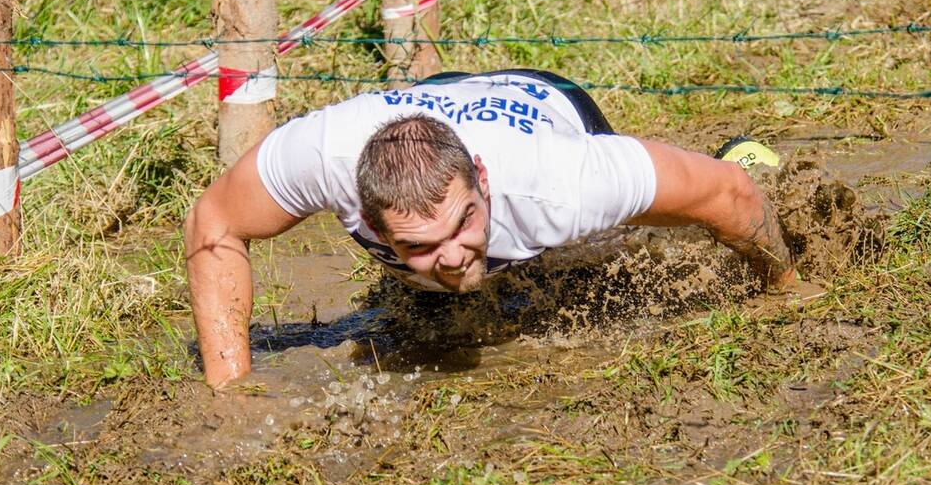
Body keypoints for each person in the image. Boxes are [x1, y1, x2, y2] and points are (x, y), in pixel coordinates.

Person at [185, 69, 796, 389]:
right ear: (369, 221)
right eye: (419, 246)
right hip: (435, 100)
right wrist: (231, 389)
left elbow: (730, 196)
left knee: (638, 243)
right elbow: (214, 220)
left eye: (462, 225)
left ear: (479, 178)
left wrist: (786, 287)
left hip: (547, 105)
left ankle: (734, 146)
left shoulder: (561, 185)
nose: (451, 257)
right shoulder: (317, 158)